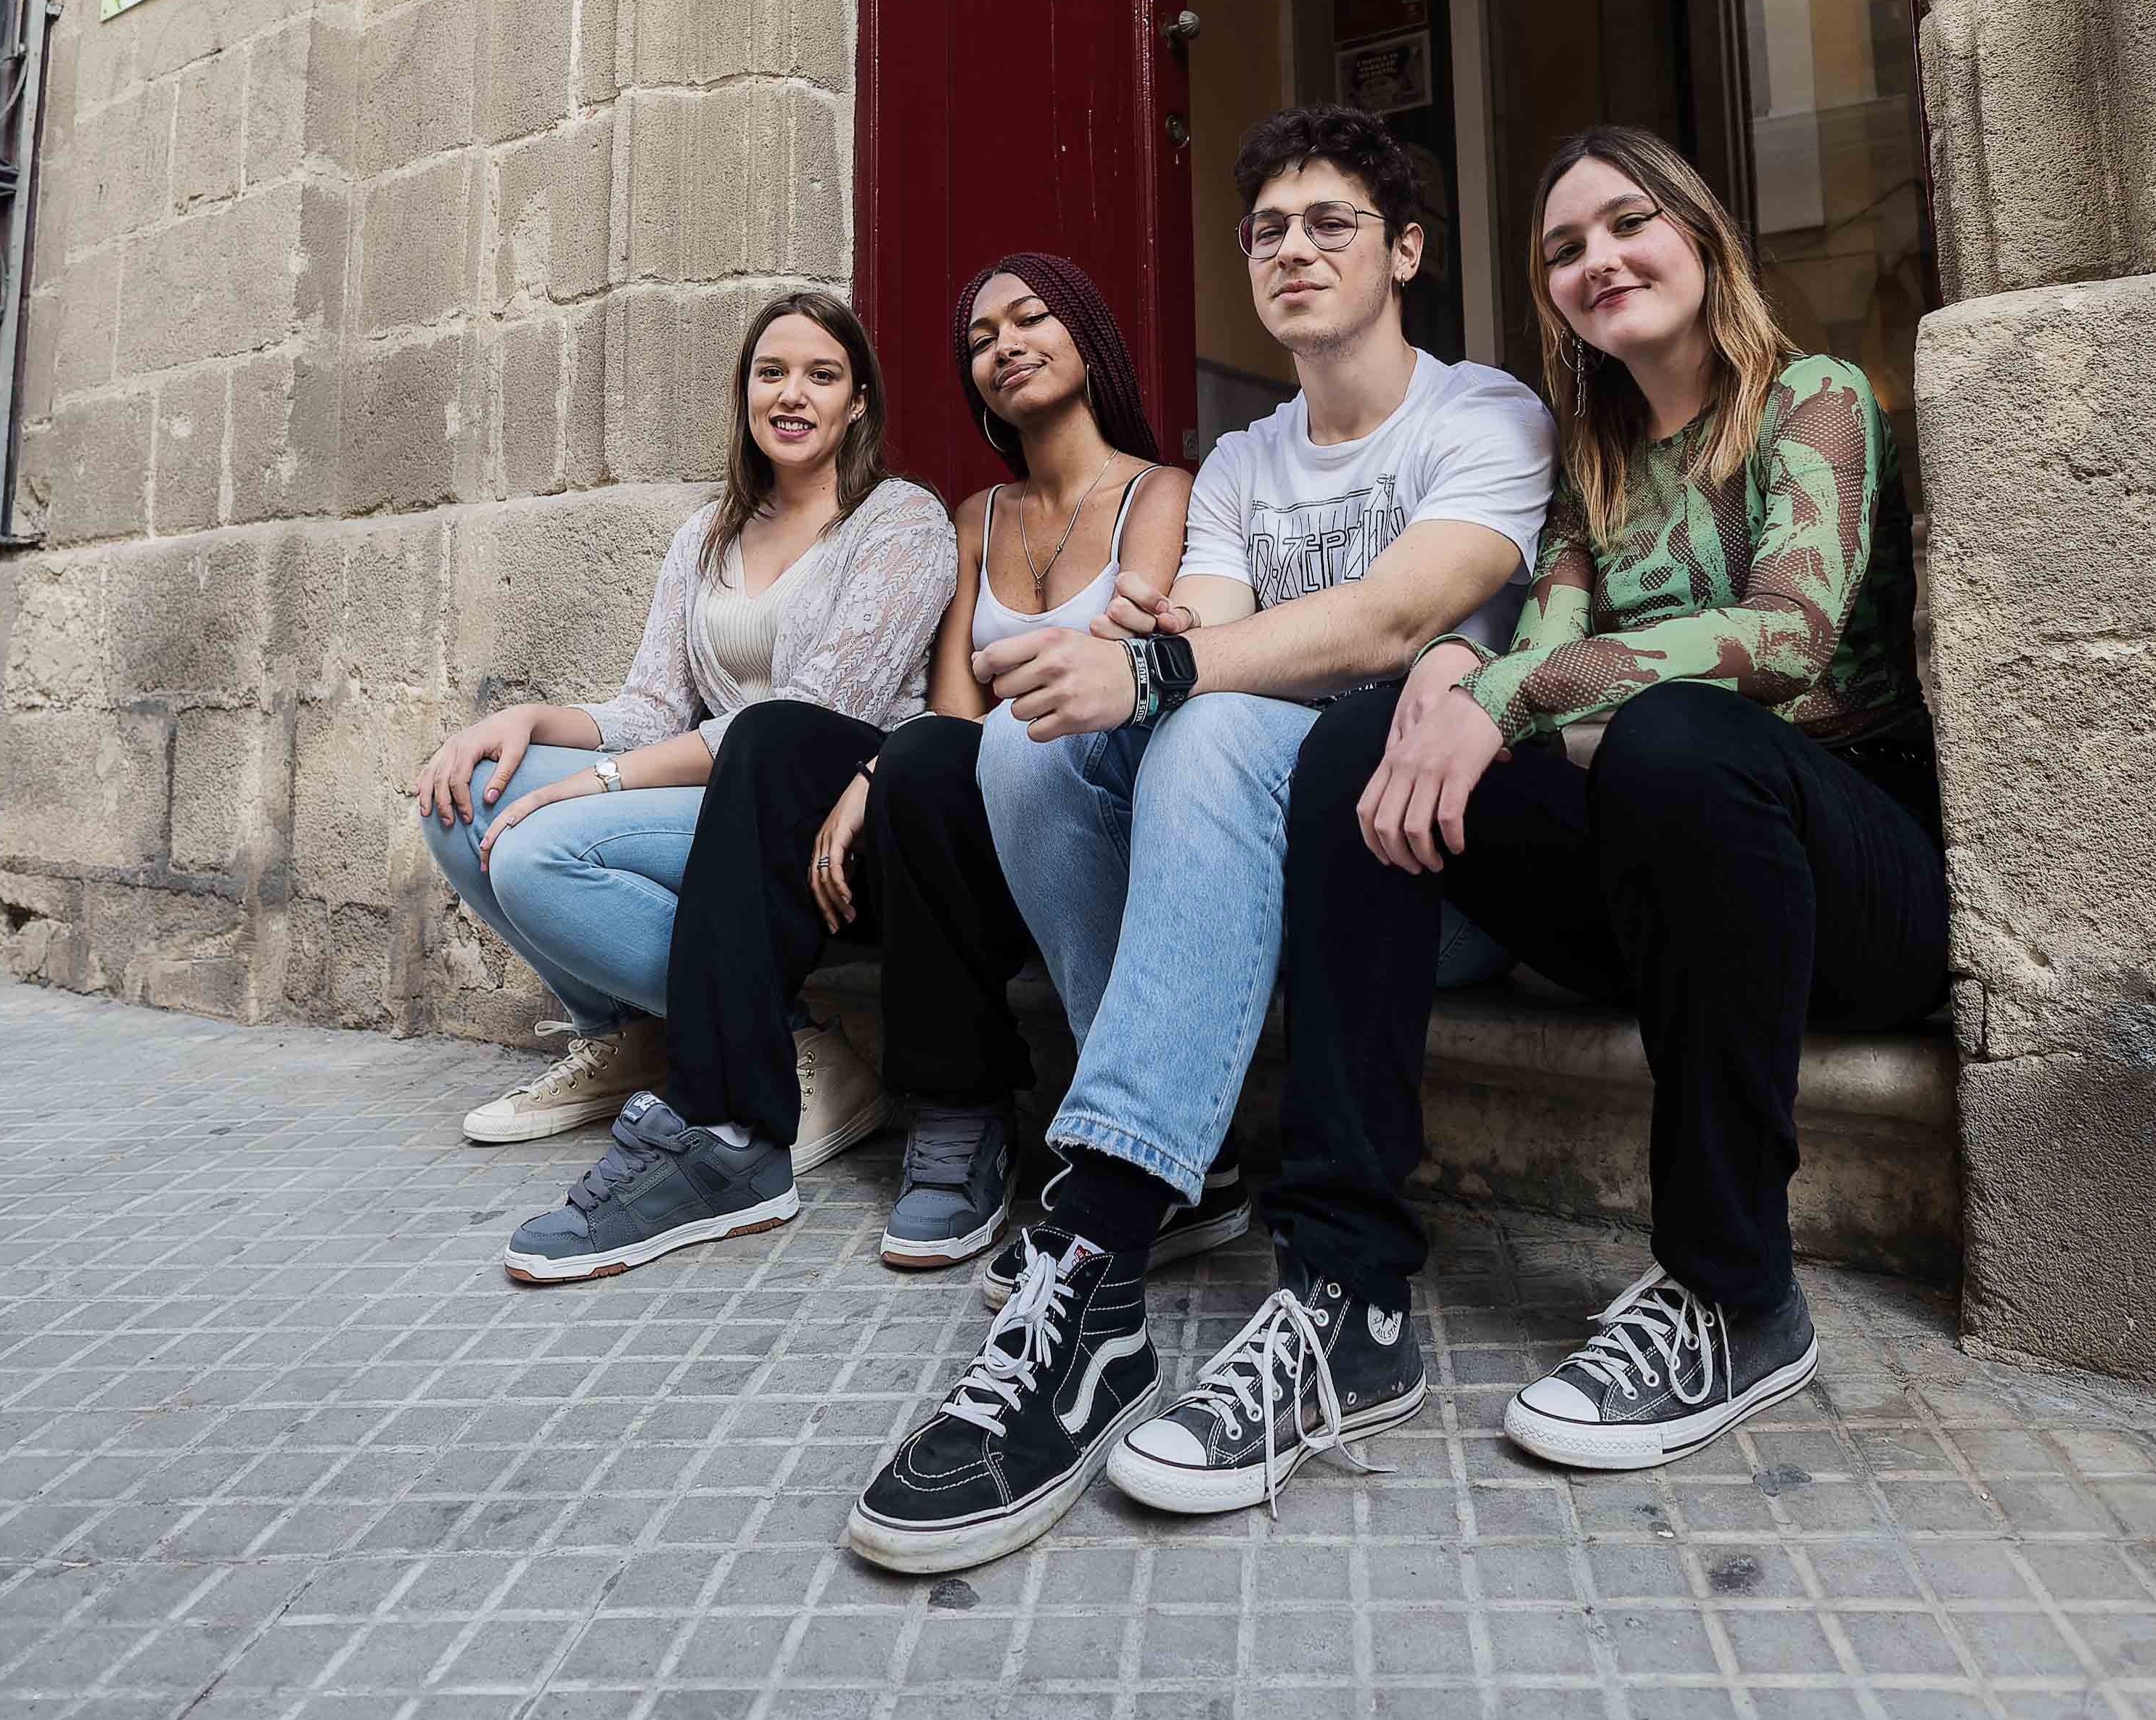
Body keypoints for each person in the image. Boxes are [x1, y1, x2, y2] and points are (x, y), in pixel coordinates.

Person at [1108, 123, 1946, 1513]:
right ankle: (1344, 1295)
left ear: (1701, 234)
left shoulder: (1817, 399)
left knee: (1678, 737)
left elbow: (1788, 636)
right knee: (1368, 731)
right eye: (1565, 247)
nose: (1598, 260)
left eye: (1628, 225)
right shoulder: (1595, 468)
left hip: (1850, 874)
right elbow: (1519, 661)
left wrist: (1502, 684)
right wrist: (1451, 679)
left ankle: (1736, 1295)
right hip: (1657, 885)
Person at [845, 107, 1555, 1576]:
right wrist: (1146, 651)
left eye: (1327, 223)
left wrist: (1174, 670)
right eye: (1264, 231)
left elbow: (1392, 618)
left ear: (1405, 248)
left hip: (1422, 866)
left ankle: (1092, 1250)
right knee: (1025, 738)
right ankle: (1166, 1162)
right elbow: (1213, 632)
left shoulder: (1481, 412)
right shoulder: (1239, 461)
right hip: (1257, 863)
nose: (1289, 250)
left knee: (1209, 723)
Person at [551, 253, 1192, 1285]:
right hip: (962, 830)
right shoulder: (975, 517)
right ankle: (728, 1132)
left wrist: (885, 773)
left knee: (921, 758)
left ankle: (959, 1106)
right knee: (773, 735)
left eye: (1031, 321)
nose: (1004, 347)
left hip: (1086, 819)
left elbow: (1120, 664)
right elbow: (950, 716)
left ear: (1089, 340)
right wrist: (866, 778)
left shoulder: (1160, 493)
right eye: (981, 340)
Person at [409, 292, 955, 1256]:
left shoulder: (899, 522)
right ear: (745, 393)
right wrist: (526, 721)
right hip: (711, 787)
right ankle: (636, 1035)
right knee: (464, 798)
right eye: (771, 373)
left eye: (822, 376)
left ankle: (781, 1038)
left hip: (825, 813)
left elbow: (819, 715)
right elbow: (653, 708)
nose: (793, 395)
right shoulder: (705, 535)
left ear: (857, 402)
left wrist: (602, 783)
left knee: (536, 856)